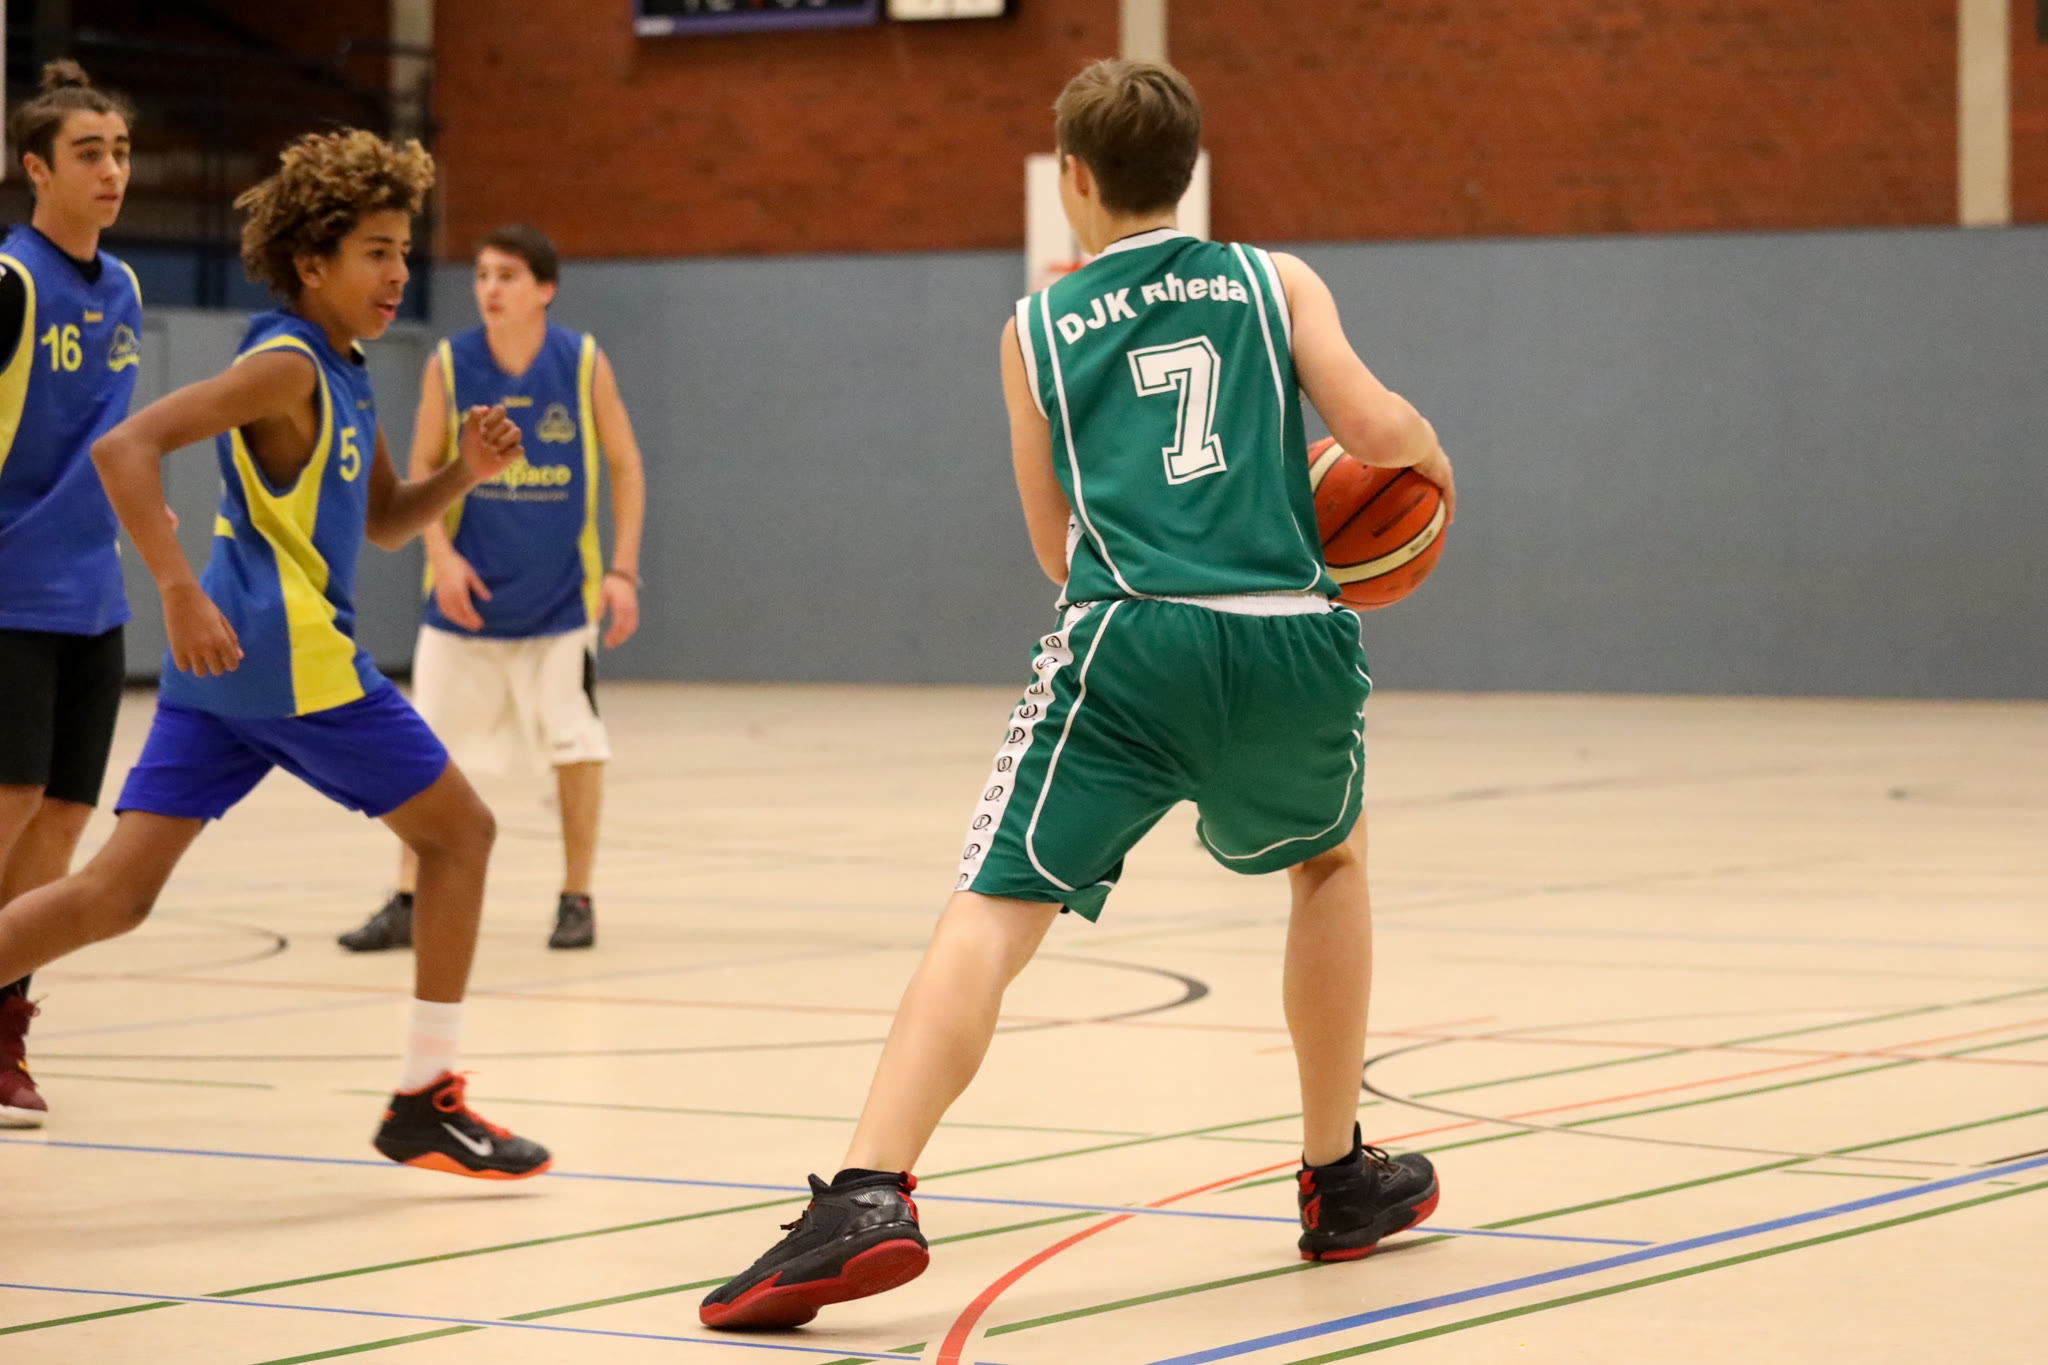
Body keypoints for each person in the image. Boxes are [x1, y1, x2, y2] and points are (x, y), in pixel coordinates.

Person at [701, 59, 1458, 1329]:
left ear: (1072, 179)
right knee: (1328, 866)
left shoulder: (1034, 329)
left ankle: (866, 1193)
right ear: (1189, 173)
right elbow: (1375, 434)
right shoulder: (1273, 279)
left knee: (995, 904)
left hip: (1129, 641)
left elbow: (1053, 550)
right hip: (1288, 633)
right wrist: (1431, 464)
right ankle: (1337, 1180)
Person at [0, 128, 551, 1178]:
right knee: (461, 836)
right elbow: (124, 446)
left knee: (113, 896)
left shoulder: (340, 369)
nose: (397, 273)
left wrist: (463, 475)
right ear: (312, 262)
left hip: (229, 673)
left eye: (403, 252)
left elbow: (384, 521)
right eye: (375, 252)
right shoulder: (285, 364)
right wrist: (176, 588)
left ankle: (424, 1102)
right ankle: (424, 1099)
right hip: (289, 661)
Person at [338, 223, 645, 954]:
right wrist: (440, 554)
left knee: (578, 746)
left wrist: (623, 571)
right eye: (480, 276)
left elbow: (626, 465)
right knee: (418, 749)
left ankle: (576, 897)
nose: (489, 289)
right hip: (464, 604)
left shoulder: (582, 363)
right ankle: (408, 897)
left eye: (507, 275)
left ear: (545, 289)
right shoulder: (451, 364)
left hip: (560, 603)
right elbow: (418, 466)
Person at [0, 61, 144, 1128]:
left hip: (94, 593)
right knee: (7, 805)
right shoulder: (11, 281)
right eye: (89, 153)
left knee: (60, 822)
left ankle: (4, 1025)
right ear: (36, 168)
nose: (112, 171)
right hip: (10, 588)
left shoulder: (124, 288)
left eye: (122, 152)